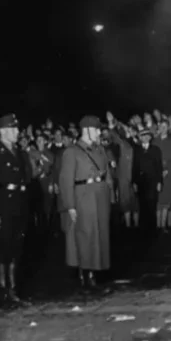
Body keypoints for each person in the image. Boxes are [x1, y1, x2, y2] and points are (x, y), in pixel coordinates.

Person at [0, 113, 32, 305]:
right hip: (2, 204)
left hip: (19, 202)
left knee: (17, 247)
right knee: (3, 247)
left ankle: (13, 288)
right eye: (14, 128)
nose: (17, 132)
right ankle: (3, 290)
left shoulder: (20, 153)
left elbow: (25, 177)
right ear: (4, 131)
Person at [58, 115, 113, 287]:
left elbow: (107, 174)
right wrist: (70, 206)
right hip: (83, 196)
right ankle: (86, 274)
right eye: (96, 129)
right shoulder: (72, 152)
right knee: (85, 235)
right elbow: (65, 181)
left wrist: (110, 194)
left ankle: (96, 270)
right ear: (87, 130)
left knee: (99, 234)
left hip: (100, 196)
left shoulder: (100, 150)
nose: (99, 133)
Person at [133, 129, 164, 231]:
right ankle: (143, 228)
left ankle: (152, 228)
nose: (145, 138)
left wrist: (159, 182)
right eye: (142, 136)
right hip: (141, 182)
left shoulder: (156, 149)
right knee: (142, 205)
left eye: (147, 136)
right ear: (140, 138)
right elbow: (134, 167)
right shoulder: (136, 150)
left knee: (152, 205)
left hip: (152, 182)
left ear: (150, 138)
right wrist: (134, 182)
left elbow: (159, 166)